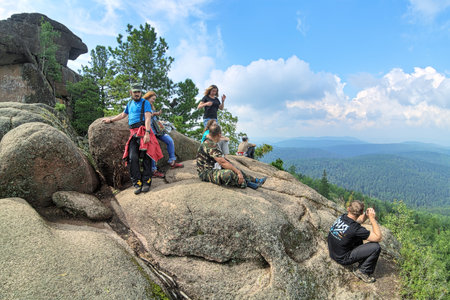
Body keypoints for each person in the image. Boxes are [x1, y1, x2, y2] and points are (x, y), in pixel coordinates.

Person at [103, 83, 163, 194]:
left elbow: (148, 118)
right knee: (132, 158)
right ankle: (137, 183)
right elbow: (123, 115)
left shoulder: (145, 103)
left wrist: (147, 133)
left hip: (144, 132)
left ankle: (146, 182)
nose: (137, 94)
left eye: (138, 92)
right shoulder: (129, 103)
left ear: (141, 93)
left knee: (147, 157)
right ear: (131, 92)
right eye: (135, 92)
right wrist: (111, 120)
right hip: (133, 134)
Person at [197, 123, 267, 189]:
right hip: (205, 173)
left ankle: (255, 180)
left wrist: (236, 170)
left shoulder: (210, 142)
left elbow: (223, 161)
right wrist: (238, 172)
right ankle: (246, 183)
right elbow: (222, 162)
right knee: (229, 173)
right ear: (219, 135)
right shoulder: (209, 144)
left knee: (233, 167)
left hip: (213, 168)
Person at [327, 200, 382, 283]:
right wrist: (372, 219)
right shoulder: (355, 229)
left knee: (355, 236)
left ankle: (360, 258)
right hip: (342, 258)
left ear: (348, 209)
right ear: (360, 212)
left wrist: (366, 216)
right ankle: (363, 271)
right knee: (376, 247)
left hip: (333, 252)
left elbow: (357, 221)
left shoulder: (343, 217)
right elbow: (378, 237)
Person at [143, 91, 183, 178]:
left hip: (157, 129)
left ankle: (172, 161)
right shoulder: (143, 104)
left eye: (154, 99)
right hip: (149, 130)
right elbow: (145, 117)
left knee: (169, 140)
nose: (153, 101)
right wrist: (155, 114)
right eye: (152, 99)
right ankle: (153, 170)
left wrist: (158, 117)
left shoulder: (151, 106)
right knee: (152, 148)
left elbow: (153, 118)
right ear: (148, 97)